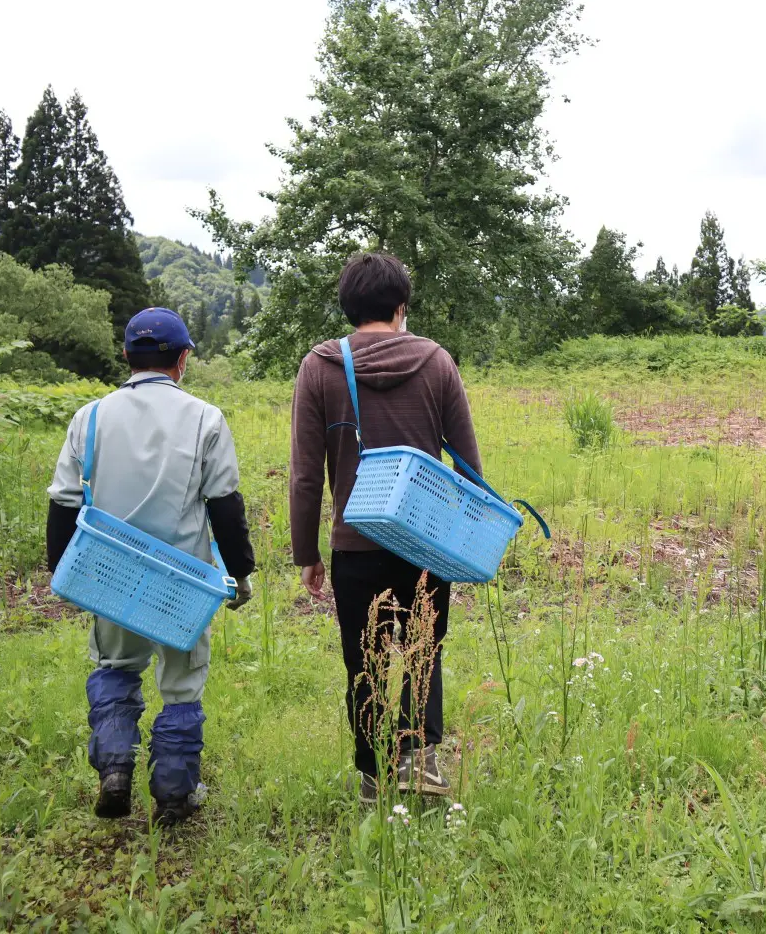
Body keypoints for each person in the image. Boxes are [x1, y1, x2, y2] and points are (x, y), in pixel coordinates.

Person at [46, 307, 257, 825]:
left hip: (108, 573)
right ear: (182, 360)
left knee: (116, 668)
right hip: (183, 580)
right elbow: (224, 503)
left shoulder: (89, 417)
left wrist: (62, 572)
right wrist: (241, 573)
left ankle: (115, 768)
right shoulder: (206, 418)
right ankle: (174, 793)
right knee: (182, 682)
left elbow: (64, 502)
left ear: (126, 356)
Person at [290, 251, 480, 803]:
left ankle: (374, 775)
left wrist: (308, 552)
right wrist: (463, 538)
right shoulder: (438, 361)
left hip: (356, 542)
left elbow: (305, 474)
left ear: (349, 307)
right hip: (426, 540)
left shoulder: (319, 367)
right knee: (423, 648)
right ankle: (421, 758)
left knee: (364, 656)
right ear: (401, 307)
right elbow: (467, 464)